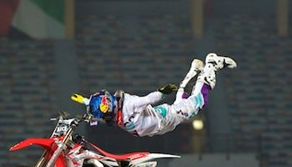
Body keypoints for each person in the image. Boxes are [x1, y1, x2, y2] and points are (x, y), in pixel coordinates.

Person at [87, 53, 237, 137]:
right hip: (160, 123)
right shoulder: (115, 115)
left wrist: (162, 92)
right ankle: (193, 72)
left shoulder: (128, 105)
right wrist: (90, 110)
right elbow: (100, 112)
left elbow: (148, 99)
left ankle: (211, 65)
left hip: (163, 118)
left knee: (199, 102)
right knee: (181, 105)